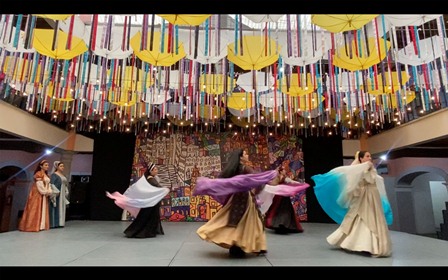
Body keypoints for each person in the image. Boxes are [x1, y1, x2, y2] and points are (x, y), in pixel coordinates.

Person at [194, 149, 277, 258]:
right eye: (245, 154)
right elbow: (257, 179)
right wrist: (271, 176)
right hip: (245, 200)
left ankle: (242, 246)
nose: (247, 155)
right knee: (251, 222)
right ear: (241, 157)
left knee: (231, 221)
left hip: (235, 199)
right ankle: (255, 246)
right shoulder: (246, 168)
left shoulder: (233, 169)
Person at [312, 150, 393, 257]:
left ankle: (371, 245)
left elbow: (375, 179)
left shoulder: (371, 168)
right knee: (363, 217)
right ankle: (364, 244)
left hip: (374, 197)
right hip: (364, 196)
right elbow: (351, 178)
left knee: (373, 217)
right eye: (367, 156)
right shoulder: (359, 168)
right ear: (361, 158)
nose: (370, 158)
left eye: (370, 156)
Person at [106, 162, 170, 238]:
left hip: (152, 202)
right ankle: (141, 232)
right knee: (147, 217)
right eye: (155, 169)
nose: (157, 171)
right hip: (151, 203)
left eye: (156, 169)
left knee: (149, 217)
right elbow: (157, 187)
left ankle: (150, 231)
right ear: (150, 171)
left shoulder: (150, 178)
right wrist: (165, 190)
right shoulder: (151, 179)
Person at [263, 166, 308, 234]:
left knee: (285, 211)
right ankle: (279, 224)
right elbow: (273, 184)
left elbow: (291, 182)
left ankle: (283, 224)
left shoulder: (284, 178)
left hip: (284, 198)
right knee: (277, 211)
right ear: (281, 171)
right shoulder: (277, 177)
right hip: (278, 198)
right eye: (284, 170)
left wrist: (301, 184)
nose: (285, 171)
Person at [18, 159, 53, 232]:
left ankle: (41, 225)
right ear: (41, 166)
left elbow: (48, 184)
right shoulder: (38, 174)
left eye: (48, 165)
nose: (47, 166)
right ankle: (33, 225)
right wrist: (45, 192)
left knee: (42, 208)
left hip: (44, 193)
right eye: (46, 165)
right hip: (37, 193)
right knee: (36, 208)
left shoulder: (47, 175)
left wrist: (49, 191)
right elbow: (39, 185)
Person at [49, 161, 70, 228]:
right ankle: (56, 223)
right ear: (57, 167)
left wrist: (66, 191)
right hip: (58, 193)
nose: (62, 167)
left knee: (62, 207)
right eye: (61, 166)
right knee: (57, 207)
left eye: (63, 166)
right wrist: (57, 192)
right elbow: (52, 184)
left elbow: (65, 184)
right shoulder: (54, 175)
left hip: (63, 192)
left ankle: (61, 223)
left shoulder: (63, 175)